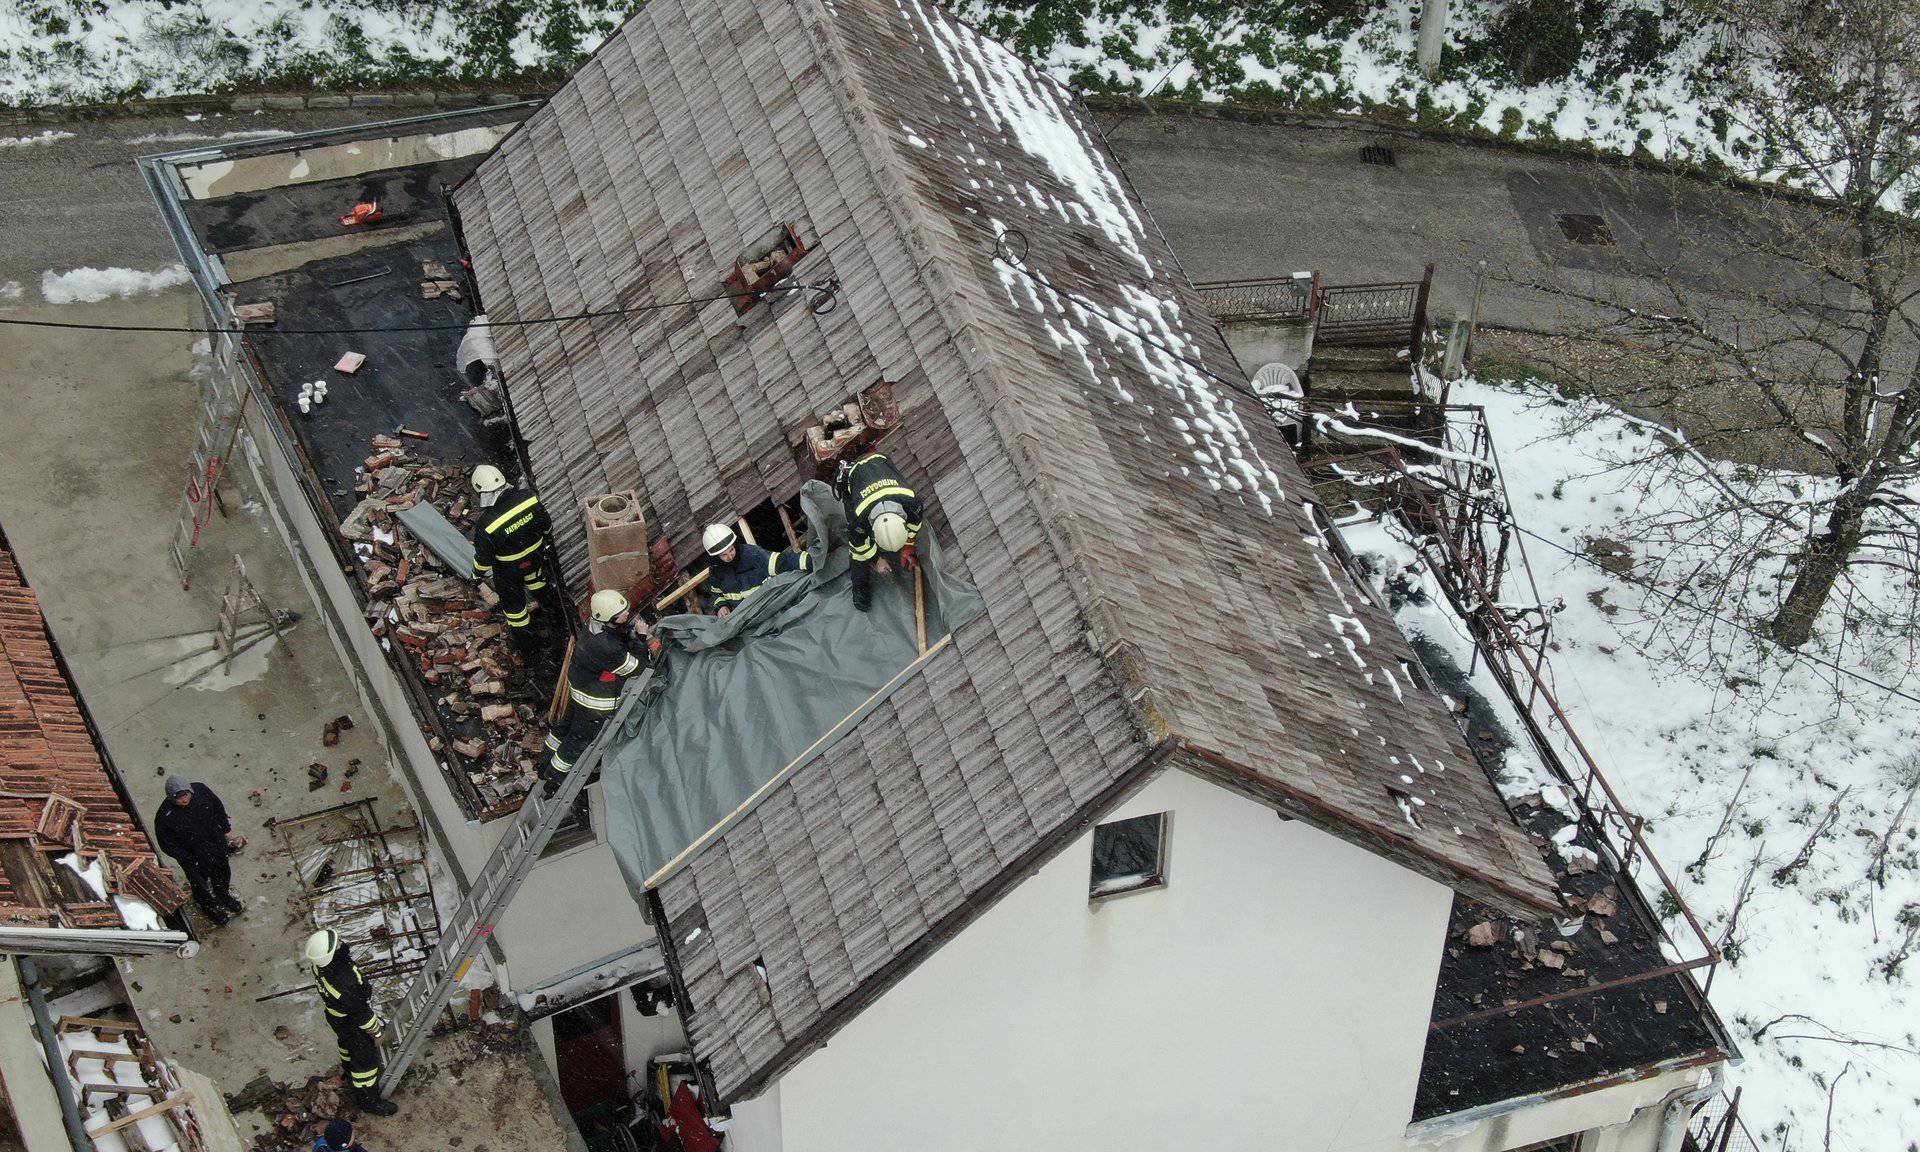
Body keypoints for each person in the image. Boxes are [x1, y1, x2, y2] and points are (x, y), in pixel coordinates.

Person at [541, 590, 651, 796]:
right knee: (576, 742)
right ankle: (554, 781)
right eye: (622, 613)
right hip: (595, 705)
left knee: (562, 730)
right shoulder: (606, 648)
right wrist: (641, 639)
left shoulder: (593, 626)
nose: (627, 613)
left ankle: (544, 763)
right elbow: (638, 667)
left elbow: (613, 635)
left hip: (579, 692)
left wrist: (627, 631)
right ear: (610, 618)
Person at [304, 930, 399, 1116]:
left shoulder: (321, 967)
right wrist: (376, 1032)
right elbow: (360, 1011)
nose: (341, 943)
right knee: (365, 1064)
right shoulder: (344, 983)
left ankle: (348, 1072)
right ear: (330, 955)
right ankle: (369, 1102)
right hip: (352, 1022)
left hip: (336, 1016)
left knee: (346, 1045)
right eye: (337, 944)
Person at [469, 464, 553, 653]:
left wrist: (476, 577)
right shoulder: (528, 498)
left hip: (509, 570)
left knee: (515, 608)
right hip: (535, 556)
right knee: (536, 581)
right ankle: (552, 611)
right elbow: (546, 526)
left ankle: (527, 643)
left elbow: (484, 560)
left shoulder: (487, 524)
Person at [834, 451, 924, 613]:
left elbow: (915, 524)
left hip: (879, 460)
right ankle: (860, 588)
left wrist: (908, 544)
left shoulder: (912, 502)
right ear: (872, 531)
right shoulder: (858, 519)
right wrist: (876, 559)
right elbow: (859, 545)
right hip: (855, 474)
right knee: (857, 553)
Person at [152, 775, 243, 926]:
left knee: (222, 872)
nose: (184, 799)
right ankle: (208, 907)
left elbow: (218, 807)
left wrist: (226, 830)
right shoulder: (164, 816)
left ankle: (223, 895)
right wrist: (187, 859)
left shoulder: (201, 791)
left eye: (186, 794)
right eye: (178, 797)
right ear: (171, 798)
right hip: (194, 857)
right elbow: (166, 844)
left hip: (216, 845)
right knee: (200, 885)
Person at [699, 523, 809, 618]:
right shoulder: (715, 570)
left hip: (769, 611)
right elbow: (716, 594)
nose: (730, 556)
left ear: (735, 544)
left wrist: (810, 561)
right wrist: (721, 606)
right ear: (715, 556)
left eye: (731, 550)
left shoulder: (753, 555)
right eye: (724, 555)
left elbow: (782, 562)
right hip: (743, 620)